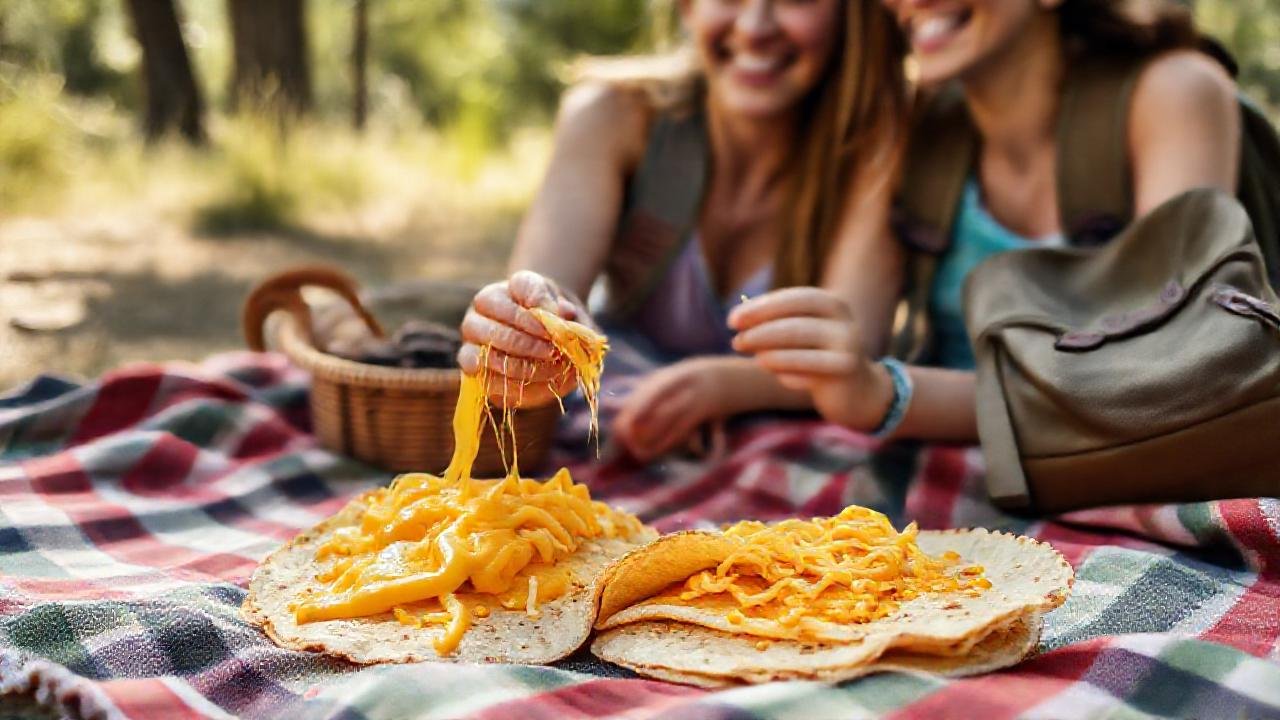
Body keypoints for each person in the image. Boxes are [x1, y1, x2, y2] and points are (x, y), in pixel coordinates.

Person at [728, 0, 1245, 442]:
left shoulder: (1173, 92)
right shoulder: (912, 129)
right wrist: (716, 384)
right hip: (957, 474)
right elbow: (844, 357)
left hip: (1130, 472)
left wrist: (893, 395)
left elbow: (1166, 378)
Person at [458, 0, 908, 461]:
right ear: (687, 7)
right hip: (614, 409)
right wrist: (534, 327)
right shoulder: (611, 114)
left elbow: (855, 359)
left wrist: (722, 386)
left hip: (779, 438)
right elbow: (549, 286)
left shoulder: (874, 150)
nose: (755, 27)